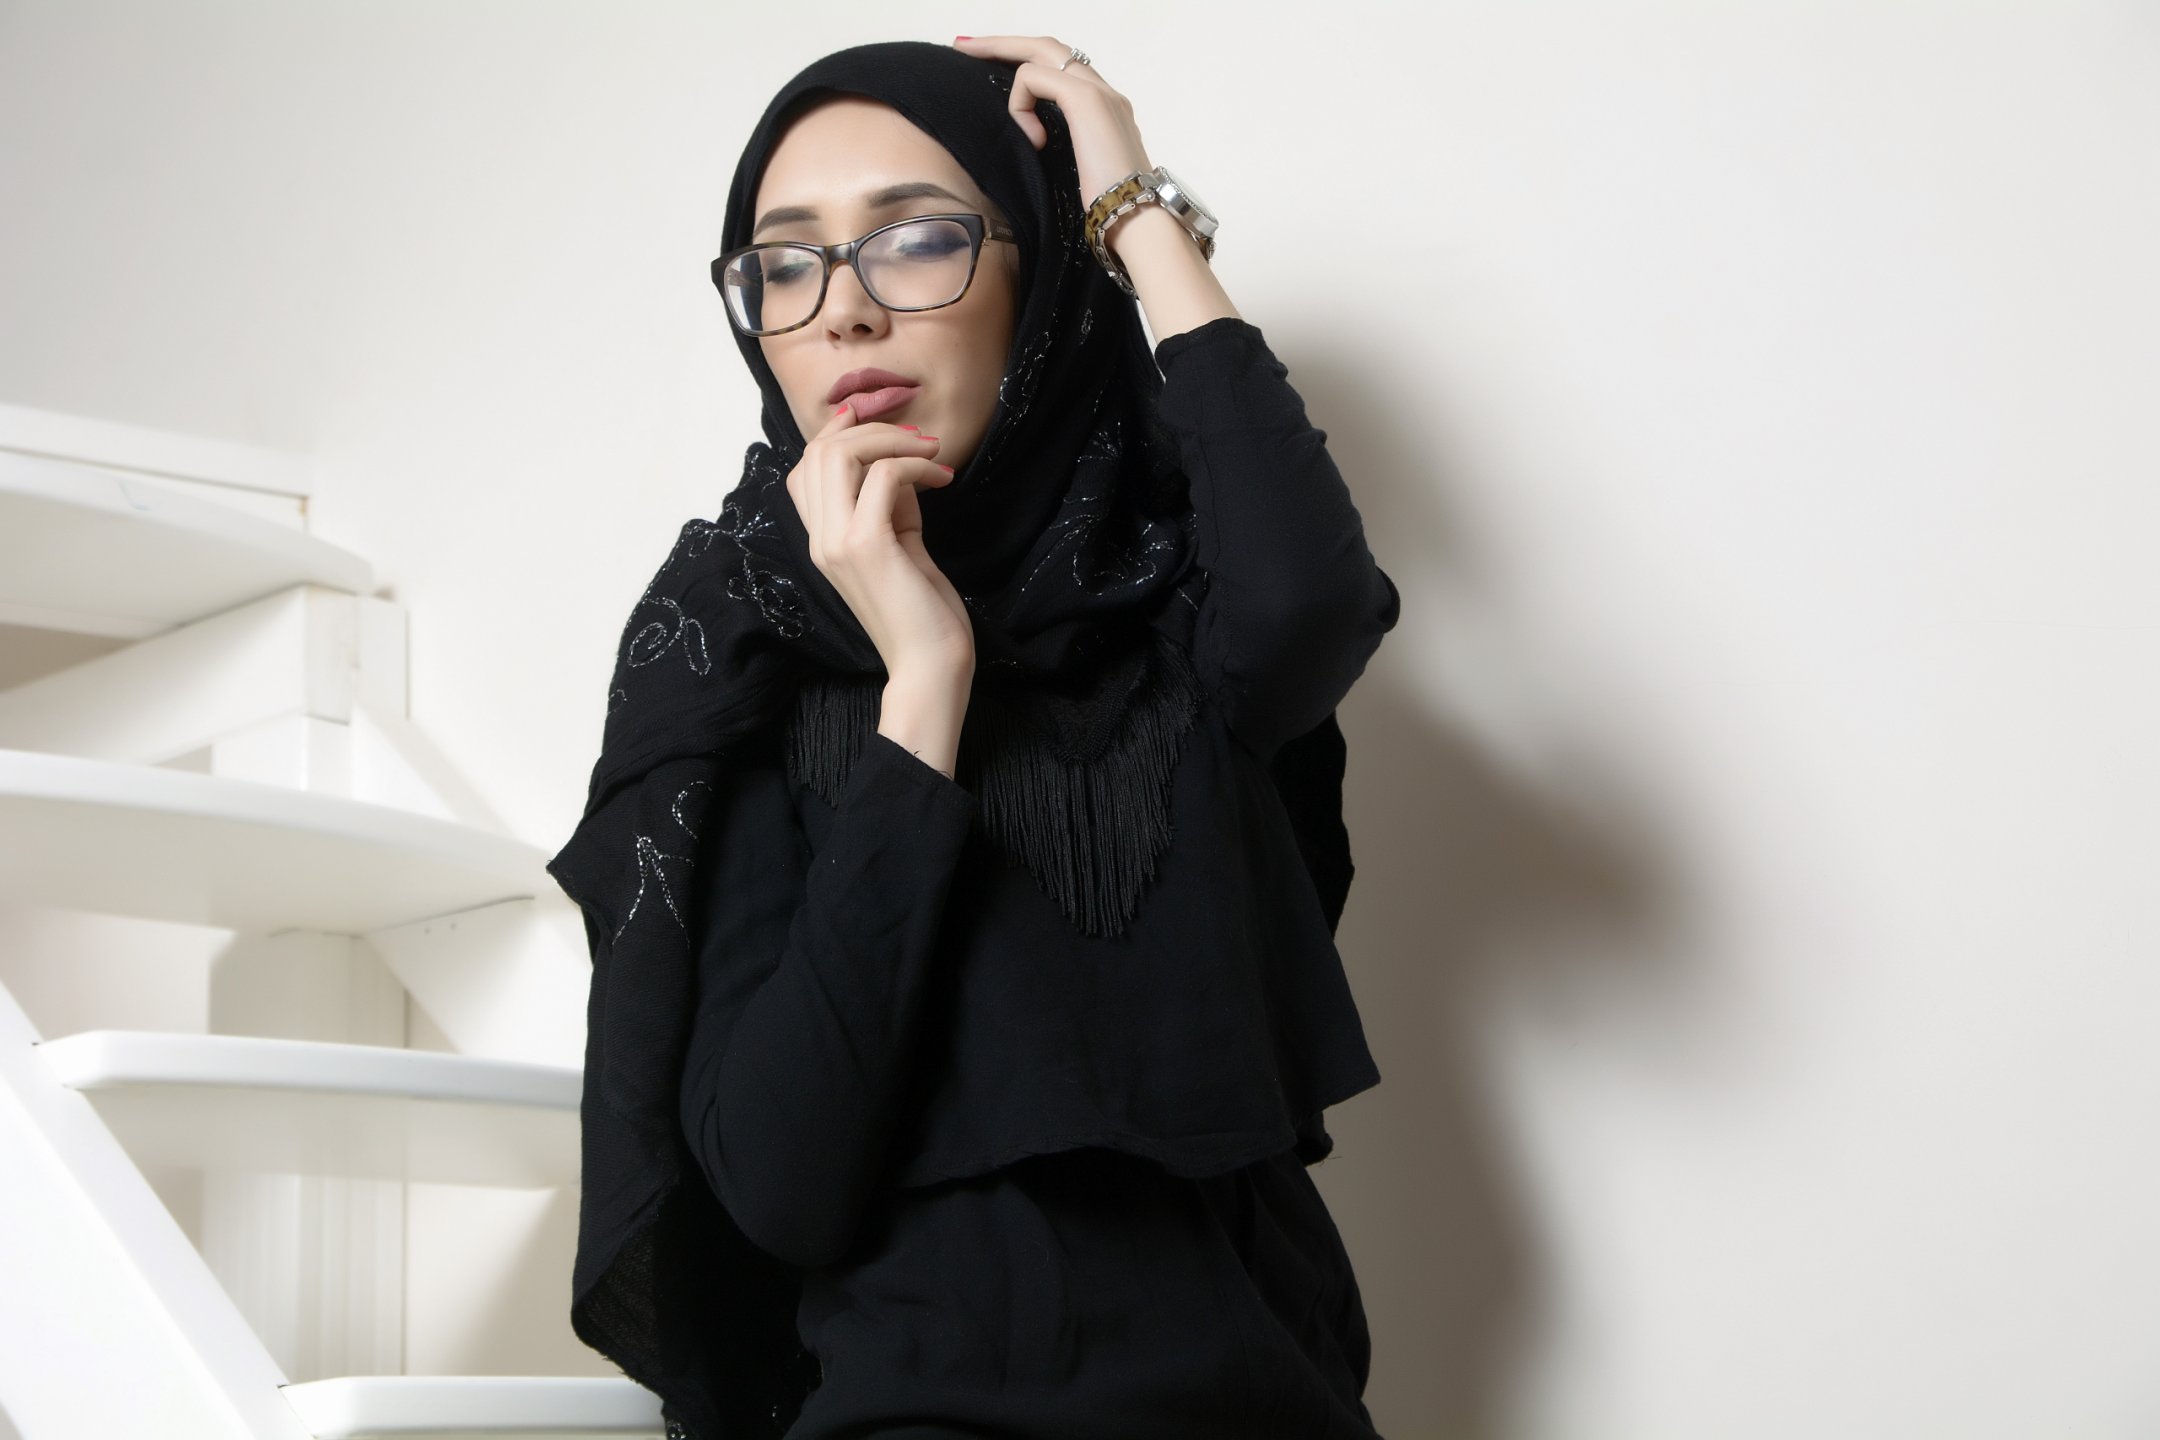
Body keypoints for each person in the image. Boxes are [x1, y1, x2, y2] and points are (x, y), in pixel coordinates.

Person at [546, 34, 1403, 1440]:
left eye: (917, 239)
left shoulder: (1167, 603)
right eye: (786, 264)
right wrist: (924, 682)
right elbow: (777, 1182)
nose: (844, 312)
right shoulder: (738, 653)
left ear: (1043, 275)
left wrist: (1132, 207)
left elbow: (1315, 602)